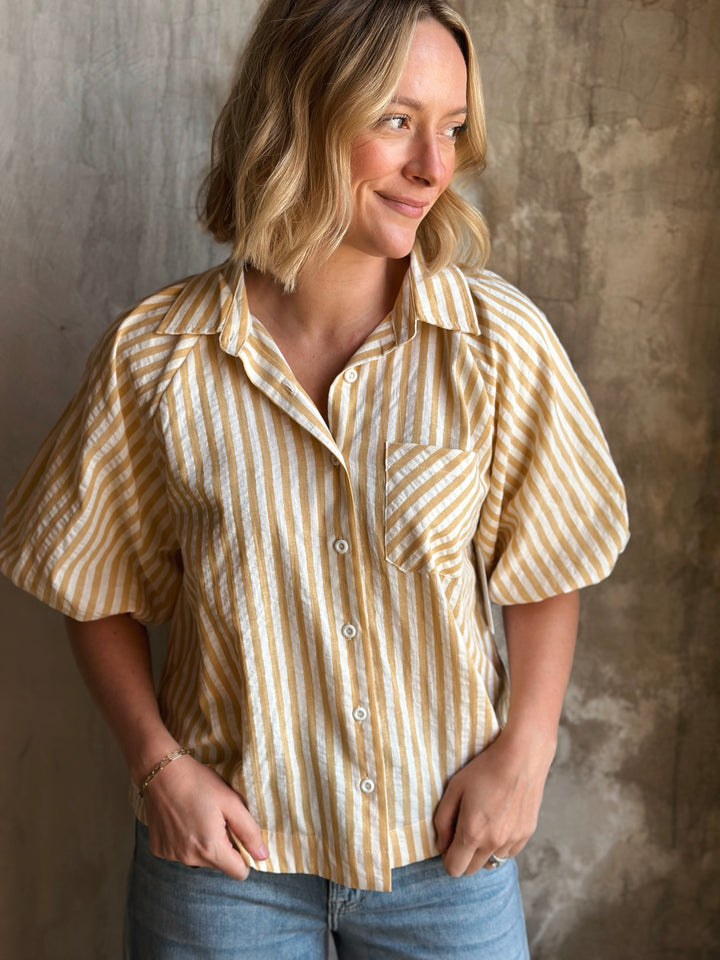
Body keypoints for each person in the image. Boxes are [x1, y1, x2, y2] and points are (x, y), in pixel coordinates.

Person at [0, 0, 629, 957]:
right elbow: (92, 581)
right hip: (224, 876)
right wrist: (157, 765)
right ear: (299, 114)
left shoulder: (497, 347)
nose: (434, 165)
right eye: (395, 120)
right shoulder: (158, 358)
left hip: (445, 863)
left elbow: (546, 566)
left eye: (452, 128)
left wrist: (526, 754)